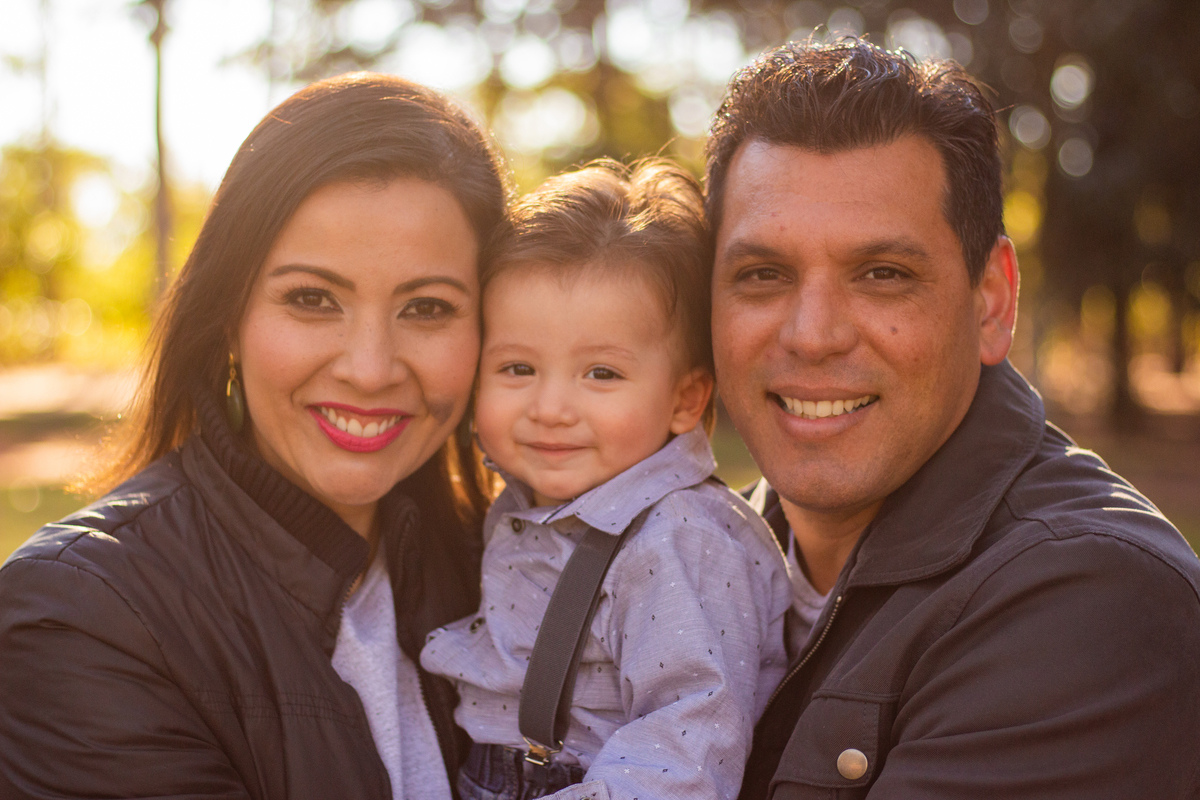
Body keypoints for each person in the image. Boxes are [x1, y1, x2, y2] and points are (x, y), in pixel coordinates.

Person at [704, 39, 1200, 798]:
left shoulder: (1094, 599)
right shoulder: (693, 561)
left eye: (883, 275)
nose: (812, 333)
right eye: (762, 274)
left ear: (992, 301)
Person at [0, 73, 509, 799]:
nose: (369, 369)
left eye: (427, 308)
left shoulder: (513, 573)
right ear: (230, 316)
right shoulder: (84, 615)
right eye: (312, 299)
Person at [420, 160, 793, 800]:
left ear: (685, 398)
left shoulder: (675, 540)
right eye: (517, 368)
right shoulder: (531, 505)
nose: (551, 407)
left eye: (601, 374)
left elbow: (686, 754)